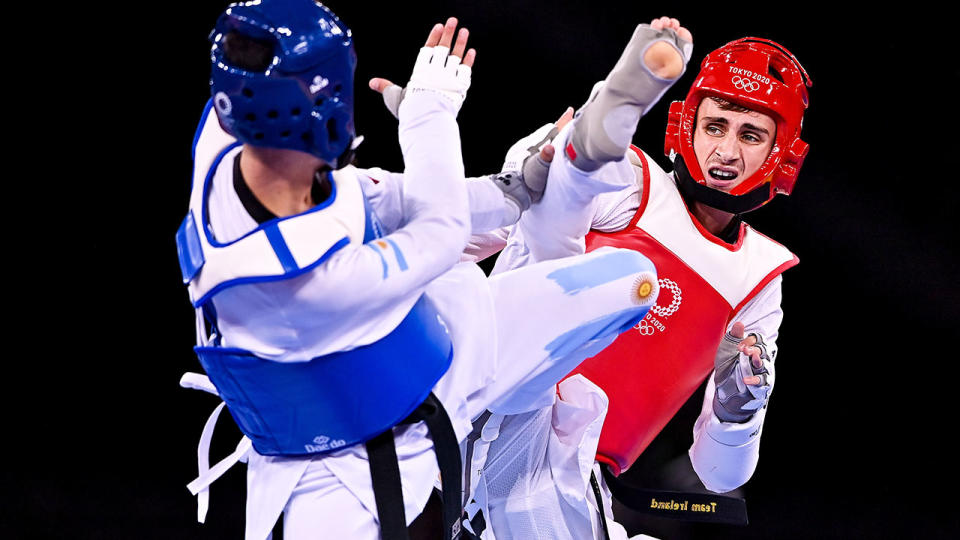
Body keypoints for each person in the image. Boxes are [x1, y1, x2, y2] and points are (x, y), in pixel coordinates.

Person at [174, 2, 660, 539]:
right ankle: (505, 410)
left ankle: (512, 410)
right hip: (338, 469)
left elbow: (376, 197)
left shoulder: (227, 136)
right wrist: (427, 114)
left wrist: (514, 188)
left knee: (631, 281)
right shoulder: (305, 275)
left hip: (445, 341)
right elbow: (440, 231)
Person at [462, 16, 812, 539]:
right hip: (493, 400)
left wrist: (738, 410)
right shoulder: (629, 178)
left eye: (751, 135)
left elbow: (721, 475)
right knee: (559, 196)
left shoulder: (757, 277)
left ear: (780, 156)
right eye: (715, 126)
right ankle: (582, 146)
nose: (726, 151)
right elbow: (466, 236)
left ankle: (580, 148)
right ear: (685, 124)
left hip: (574, 480)